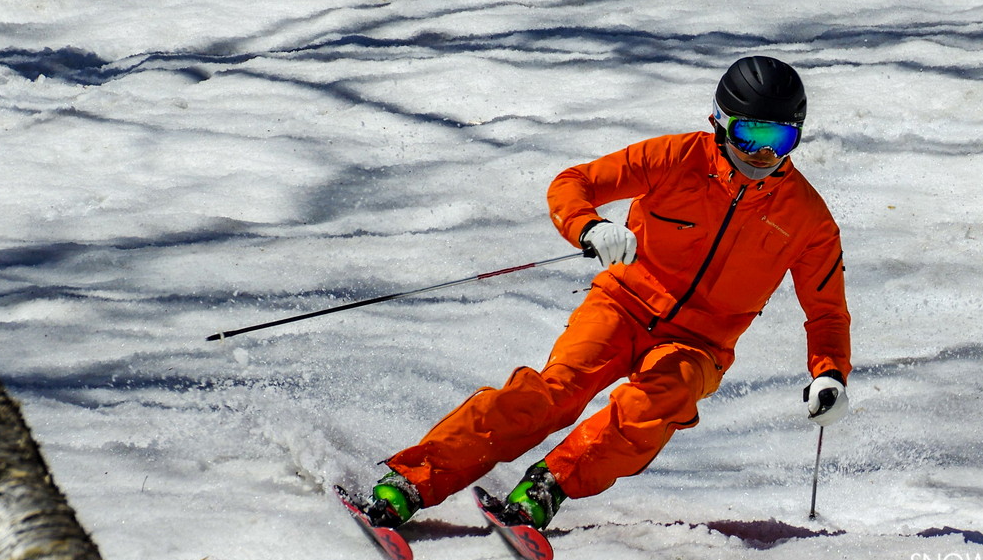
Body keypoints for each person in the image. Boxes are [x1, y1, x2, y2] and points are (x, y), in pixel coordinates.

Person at [362, 56, 851, 530]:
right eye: (751, 134)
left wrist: (829, 374)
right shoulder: (675, 159)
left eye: (780, 138)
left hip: (701, 344)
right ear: (721, 124)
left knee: (658, 402)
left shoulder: (807, 218)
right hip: (622, 304)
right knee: (554, 395)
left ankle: (546, 487)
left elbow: (826, 311)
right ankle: (408, 482)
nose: (763, 155)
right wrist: (588, 226)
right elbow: (573, 183)